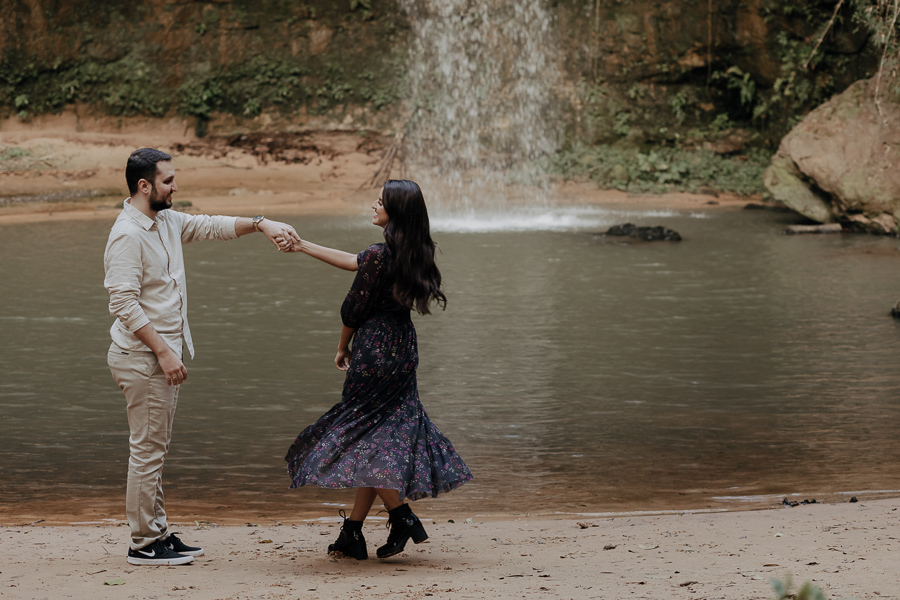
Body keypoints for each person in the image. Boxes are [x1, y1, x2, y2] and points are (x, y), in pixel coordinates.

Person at [104, 147, 301, 566]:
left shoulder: (166, 221)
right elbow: (123, 303)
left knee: (155, 448)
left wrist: (262, 224)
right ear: (145, 185)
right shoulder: (127, 234)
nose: (175, 186)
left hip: (157, 356)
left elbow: (211, 226)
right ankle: (143, 543)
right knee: (147, 451)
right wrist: (163, 352)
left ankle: (157, 531)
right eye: (168, 180)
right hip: (143, 358)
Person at [284, 179, 472, 560]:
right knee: (379, 437)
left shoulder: (378, 254)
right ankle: (352, 532)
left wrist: (342, 347)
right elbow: (353, 260)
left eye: (381, 202)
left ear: (395, 212)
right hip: (402, 349)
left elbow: (352, 310)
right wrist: (302, 245)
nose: (374, 204)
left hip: (374, 350)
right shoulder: (414, 251)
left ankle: (402, 516)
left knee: (364, 434)